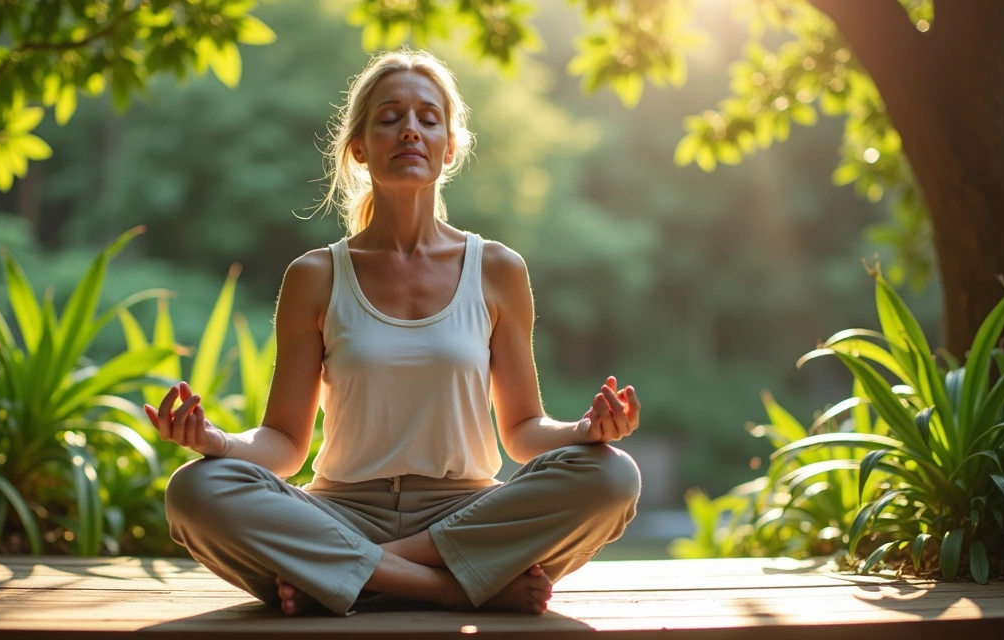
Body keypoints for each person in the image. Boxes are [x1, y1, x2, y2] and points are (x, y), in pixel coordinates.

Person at [151, 48, 641, 617]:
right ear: (359, 146)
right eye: (389, 118)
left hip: (464, 514)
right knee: (195, 490)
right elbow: (284, 444)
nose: (410, 130)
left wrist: (585, 431)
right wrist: (218, 444)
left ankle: (350, 577)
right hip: (340, 513)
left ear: (449, 146)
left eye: (428, 119)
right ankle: (451, 588)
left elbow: (522, 431)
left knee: (611, 477)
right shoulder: (315, 275)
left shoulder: (497, 269)